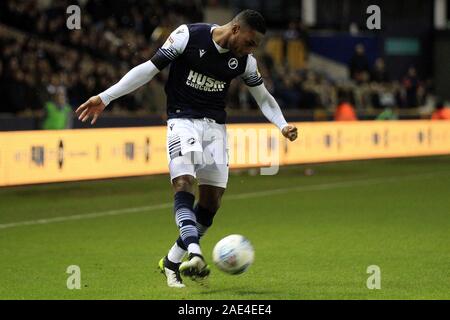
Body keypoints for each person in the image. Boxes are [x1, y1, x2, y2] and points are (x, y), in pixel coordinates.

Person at [75, 10, 298, 288]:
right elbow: (148, 69)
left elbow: (263, 98)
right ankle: (194, 254)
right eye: (251, 42)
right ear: (237, 29)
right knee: (183, 183)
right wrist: (106, 97)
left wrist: (282, 124)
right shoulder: (189, 36)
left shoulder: (245, 62)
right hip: (182, 122)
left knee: (211, 204)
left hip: (215, 129)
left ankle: (171, 261)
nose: (252, 50)